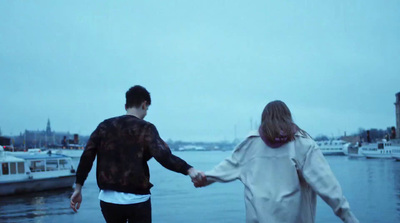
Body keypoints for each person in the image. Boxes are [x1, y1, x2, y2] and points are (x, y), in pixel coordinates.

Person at [195, 100, 359, 223]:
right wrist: (349, 218)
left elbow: (224, 170)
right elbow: (328, 186)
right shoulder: (303, 144)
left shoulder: (249, 145)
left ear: (264, 119)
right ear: (288, 117)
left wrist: (203, 178)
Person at [70, 85, 205, 223]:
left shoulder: (104, 126)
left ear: (125, 105)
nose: (146, 112)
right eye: (147, 108)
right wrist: (189, 170)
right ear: (144, 104)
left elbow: (87, 156)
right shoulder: (146, 128)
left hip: (108, 200)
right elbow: (164, 156)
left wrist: (78, 187)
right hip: (137, 200)